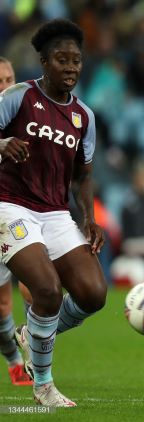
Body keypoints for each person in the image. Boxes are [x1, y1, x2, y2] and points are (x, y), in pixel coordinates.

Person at [0, 19, 107, 407]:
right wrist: (2, 143)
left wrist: (90, 218)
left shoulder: (84, 116)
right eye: (62, 60)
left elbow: (84, 175)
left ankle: (33, 334)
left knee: (94, 294)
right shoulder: (18, 96)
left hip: (55, 213)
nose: (71, 68)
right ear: (44, 62)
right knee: (46, 290)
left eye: (76, 61)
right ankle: (43, 384)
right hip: (9, 205)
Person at [0, 56, 34, 386]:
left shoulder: (25, 115)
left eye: (9, 78)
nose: (5, 86)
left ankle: (36, 350)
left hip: (20, 212)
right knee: (1, 305)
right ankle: (13, 362)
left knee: (36, 284)